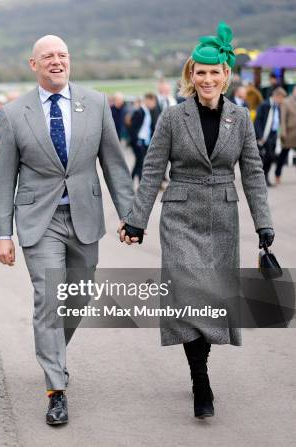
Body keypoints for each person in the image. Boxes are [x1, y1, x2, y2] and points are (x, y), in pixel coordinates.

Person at [121, 23, 274, 419]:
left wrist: (264, 225)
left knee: (212, 299)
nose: (206, 79)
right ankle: (200, 378)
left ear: (226, 75)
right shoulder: (173, 118)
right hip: (180, 215)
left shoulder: (240, 119)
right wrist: (136, 221)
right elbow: (152, 170)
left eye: (214, 72)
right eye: (199, 72)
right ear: (192, 76)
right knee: (188, 295)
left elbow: (254, 173)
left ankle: (200, 369)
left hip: (222, 216)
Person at [0, 35, 133, 426]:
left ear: (70, 61)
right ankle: (56, 387)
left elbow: (115, 165)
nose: (57, 61)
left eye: (63, 55)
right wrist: (2, 234)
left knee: (80, 296)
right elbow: (4, 178)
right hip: (40, 220)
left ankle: (52, 352)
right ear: (33, 64)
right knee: (50, 299)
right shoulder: (14, 113)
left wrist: (129, 215)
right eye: (48, 56)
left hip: (85, 216)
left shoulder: (97, 103)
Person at [255, 87, 287, 186]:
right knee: (268, 157)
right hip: (265, 136)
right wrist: (260, 137)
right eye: (281, 98)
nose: (282, 101)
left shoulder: (277, 106)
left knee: (269, 158)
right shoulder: (265, 105)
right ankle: (262, 178)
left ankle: (265, 178)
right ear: (276, 96)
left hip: (273, 136)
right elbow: (257, 121)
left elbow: (278, 121)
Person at [129, 93, 160, 182]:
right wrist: (136, 141)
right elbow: (132, 128)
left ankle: (131, 181)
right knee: (140, 162)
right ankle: (139, 182)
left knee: (139, 162)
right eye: (153, 102)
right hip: (139, 141)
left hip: (145, 141)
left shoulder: (147, 111)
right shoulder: (139, 112)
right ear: (147, 100)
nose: (154, 105)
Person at [278, 88, 296, 182]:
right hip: (289, 134)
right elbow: (283, 119)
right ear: (293, 91)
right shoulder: (286, 102)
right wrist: (283, 133)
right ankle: (278, 174)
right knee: (283, 155)